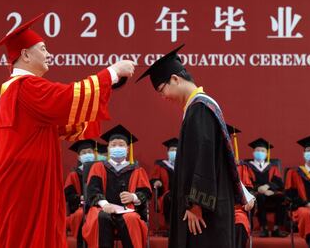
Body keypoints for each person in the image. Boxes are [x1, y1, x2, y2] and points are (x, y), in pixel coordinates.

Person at [0, 14, 135, 247]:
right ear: (25, 54)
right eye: (43, 49)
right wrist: (112, 72)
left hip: (25, 181)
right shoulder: (26, 86)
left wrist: (106, 88)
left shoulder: (17, 89)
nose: (49, 54)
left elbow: (65, 122)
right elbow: (67, 99)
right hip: (26, 184)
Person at [136, 44, 246, 248]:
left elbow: (203, 159)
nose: (164, 97)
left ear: (175, 79)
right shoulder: (199, 107)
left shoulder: (199, 109)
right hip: (208, 207)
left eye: (162, 90)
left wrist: (197, 204)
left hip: (205, 214)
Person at [82, 125, 152, 248]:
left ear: (128, 149)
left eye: (121, 145)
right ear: (108, 148)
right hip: (102, 209)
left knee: (131, 219)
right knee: (101, 218)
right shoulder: (98, 167)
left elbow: (146, 192)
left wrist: (133, 197)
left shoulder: (137, 170)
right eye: (113, 145)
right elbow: (93, 190)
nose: (117, 148)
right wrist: (105, 204)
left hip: (128, 210)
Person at [246, 138, 287, 237]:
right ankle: (263, 228)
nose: (260, 152)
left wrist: (268, 187)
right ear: (253, 152)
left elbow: (279, 183)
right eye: (257, 150)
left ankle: (277, 228)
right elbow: (247, 182)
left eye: (263, 151)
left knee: (282, 198)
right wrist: (260, 189)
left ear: (267, 153)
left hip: (270, 192)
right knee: (260, 197)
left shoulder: (272, 167)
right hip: (256, 193)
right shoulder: (247, 166)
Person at [65, 139, 96, 247]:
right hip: (80, 208)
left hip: (98, 206)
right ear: (78, 157)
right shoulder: (73, 175)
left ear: (94, 154)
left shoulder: (100, 170)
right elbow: (68, 195)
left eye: (89, 152)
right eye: (84, 153)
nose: (87, 155)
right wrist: (80, 198)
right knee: (79, 215)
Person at [285, 135, 310, 247]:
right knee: (306, 214)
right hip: (302, 208)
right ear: (304, 154)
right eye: (308, 150)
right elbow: (289, 196)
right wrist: (306, 203)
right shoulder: (294, 172)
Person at [150, 137, 177, 228]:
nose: (174, 152)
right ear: (168, 152)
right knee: (170, 197)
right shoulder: (160, 165)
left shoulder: (184, 166)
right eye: (172, 150)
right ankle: (170, 226)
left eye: (177, 150)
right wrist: (156, 182)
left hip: (181, 193)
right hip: (165, 194)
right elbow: (153, 178)